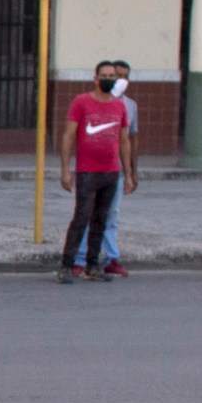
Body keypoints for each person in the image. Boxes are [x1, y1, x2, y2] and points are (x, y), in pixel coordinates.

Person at [58, 59, 134, 286]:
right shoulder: (81, 102)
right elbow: (68, 136)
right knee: (81, 217)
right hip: (87, 172)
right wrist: (65, 170)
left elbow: (124, 141)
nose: (109, 79)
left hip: (111, 172)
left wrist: (128, 173)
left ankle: (92, 265)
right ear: (95, 77)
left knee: (101, 218)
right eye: (105, 75)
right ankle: (66, 265)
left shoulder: (120, 106)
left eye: (113, 76)